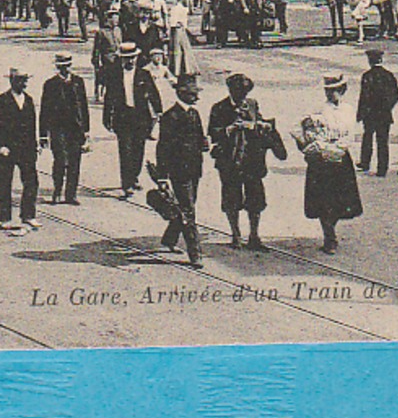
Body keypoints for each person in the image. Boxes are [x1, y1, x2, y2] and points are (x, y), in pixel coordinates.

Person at [207, 73, 287, 249]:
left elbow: (260, 121)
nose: (242, 97)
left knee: (255, 199)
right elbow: (212, 133)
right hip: (229, 160)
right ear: (231, 91)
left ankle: (254, 235)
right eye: (239, 93)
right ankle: (235, 235)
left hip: (252, 160)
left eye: (245, 93)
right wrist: (230, 129)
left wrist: (259, 125)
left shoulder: (252, 104)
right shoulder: (219, 108)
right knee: (231, 198)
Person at [294, 74, 363, 253]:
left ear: (342, 91)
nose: (330, 94)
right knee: (323, 201)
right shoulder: (318, 110)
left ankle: (331, 229)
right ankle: (329, 237)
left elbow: (351, 134)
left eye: (334, 91)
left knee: (340, 200)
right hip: (322, 159)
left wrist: (341, 147)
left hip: (341, 156)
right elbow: (304, 130)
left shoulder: (348, 109)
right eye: (328, 91)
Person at [154, 73, 209, 266]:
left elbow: (201, 138)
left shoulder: (194, 113)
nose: (196, 97)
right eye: (192, 94)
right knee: (188, 211)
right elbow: (162, 147)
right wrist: (162, 176)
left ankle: (169, 239)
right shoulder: (171, 117)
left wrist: (204, 144)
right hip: (179, 171)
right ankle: (195, 253)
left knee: (187, 207)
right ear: (181, 93)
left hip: (194, 169)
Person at [0, 68, 41, 236]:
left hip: (26, 149)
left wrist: (35, 144)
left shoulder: (29, 100)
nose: (23, 84)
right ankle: (5, 218)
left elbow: (32, 125)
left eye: (25, 80)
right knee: (4, 184)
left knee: (31, 181)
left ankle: (28, 215)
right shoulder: (0, 101)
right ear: (11, 81)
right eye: (20, 80)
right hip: (6, 150)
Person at [105, 42, 155, 198]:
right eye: (127, 58)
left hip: (141, 118)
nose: (130, 61)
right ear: (121, 59)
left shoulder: (143, 74)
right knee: (125, 151)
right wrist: (107, 117)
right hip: (123, 117)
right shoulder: (115, 75)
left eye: (132, 58)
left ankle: (134, 177)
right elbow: (109, 97)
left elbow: (153, 94)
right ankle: (126, 184)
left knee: (138, 150)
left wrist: (159, 112)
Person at [39, 53, 90, 204]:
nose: (65, 70)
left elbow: (84, 107)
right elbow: (44, 110)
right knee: (60, 160)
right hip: (57, 128)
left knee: (75, 162)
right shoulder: (50, 84)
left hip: (75, 128)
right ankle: (57, 190)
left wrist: (86, 130)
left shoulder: (78, 82)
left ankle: (71, 194)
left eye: (67, 66)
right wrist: (43, 134)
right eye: (62, 67)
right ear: (57, 67)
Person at [356, 47, 398, 177]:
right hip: (384, 114)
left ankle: (365, 163)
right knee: (383, 141)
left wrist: (360, 113)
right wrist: (388, 107)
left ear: (370, 61)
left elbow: (363, 97)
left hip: (370, 114)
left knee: (367, 138)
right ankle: (382, 169)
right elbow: (396, 95)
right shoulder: (388, 75)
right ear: (381, 60)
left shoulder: (367, 76)